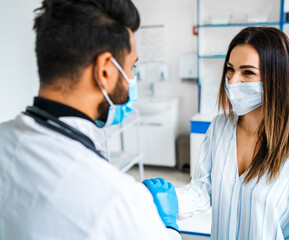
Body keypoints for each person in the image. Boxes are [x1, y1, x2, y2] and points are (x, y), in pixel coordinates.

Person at [0, 0, 180, 239]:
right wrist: (168, 225)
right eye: (131, 69)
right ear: (105, 70)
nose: (131, 80)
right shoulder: (119, 200)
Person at [144, 27, 289, 240]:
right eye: (230, 69)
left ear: (277, 78)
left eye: (248, 72)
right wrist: (167, 199)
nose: (232, 81)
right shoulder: (219, 128)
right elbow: (203, 190)